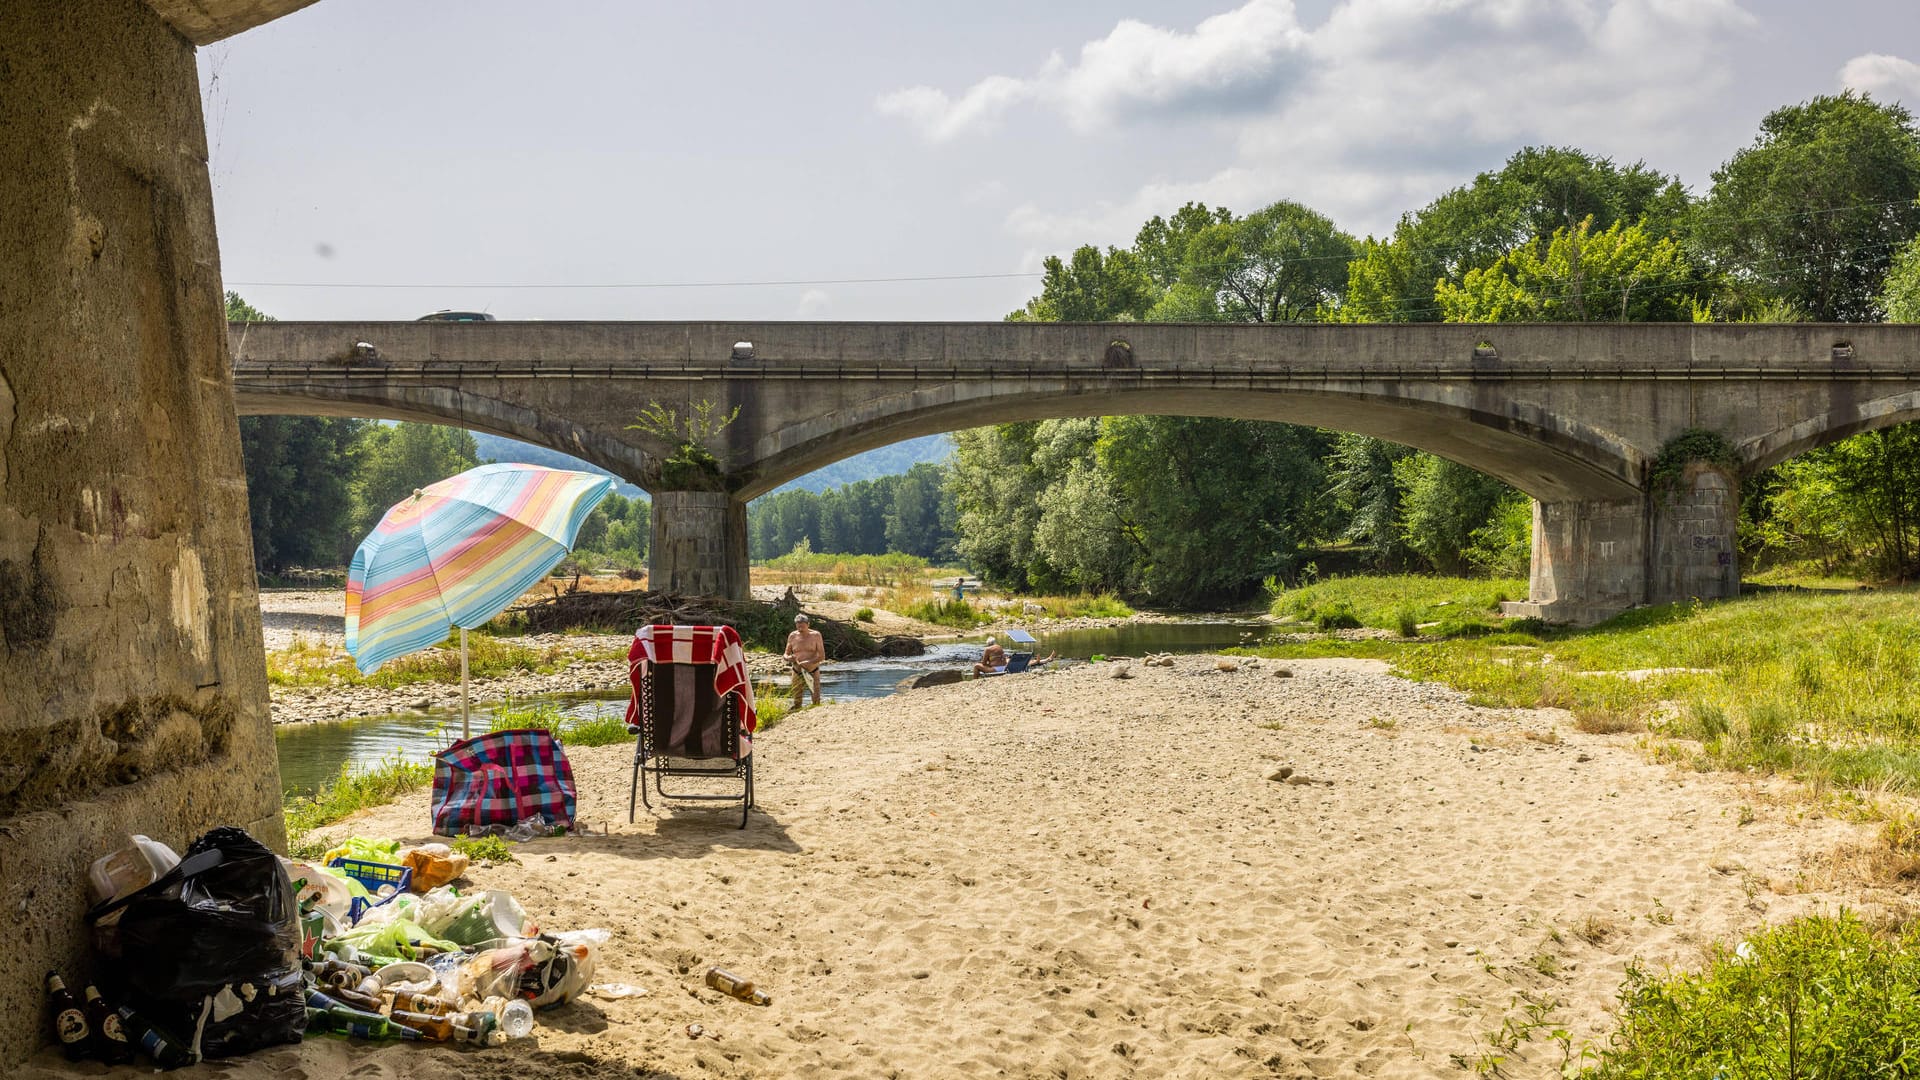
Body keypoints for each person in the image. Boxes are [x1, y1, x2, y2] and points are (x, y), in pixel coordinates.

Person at [784, 613, 826, 706]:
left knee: (816, 700)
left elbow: (822, 656)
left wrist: (809, 662)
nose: (800, 629)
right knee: (797, 700)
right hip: (796, 670)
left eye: (803, 626)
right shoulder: (792, 636)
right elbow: (785, 654)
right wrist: (789, 658)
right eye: (798, 627)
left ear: (808, 624)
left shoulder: (816, 635)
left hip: (812, 670)